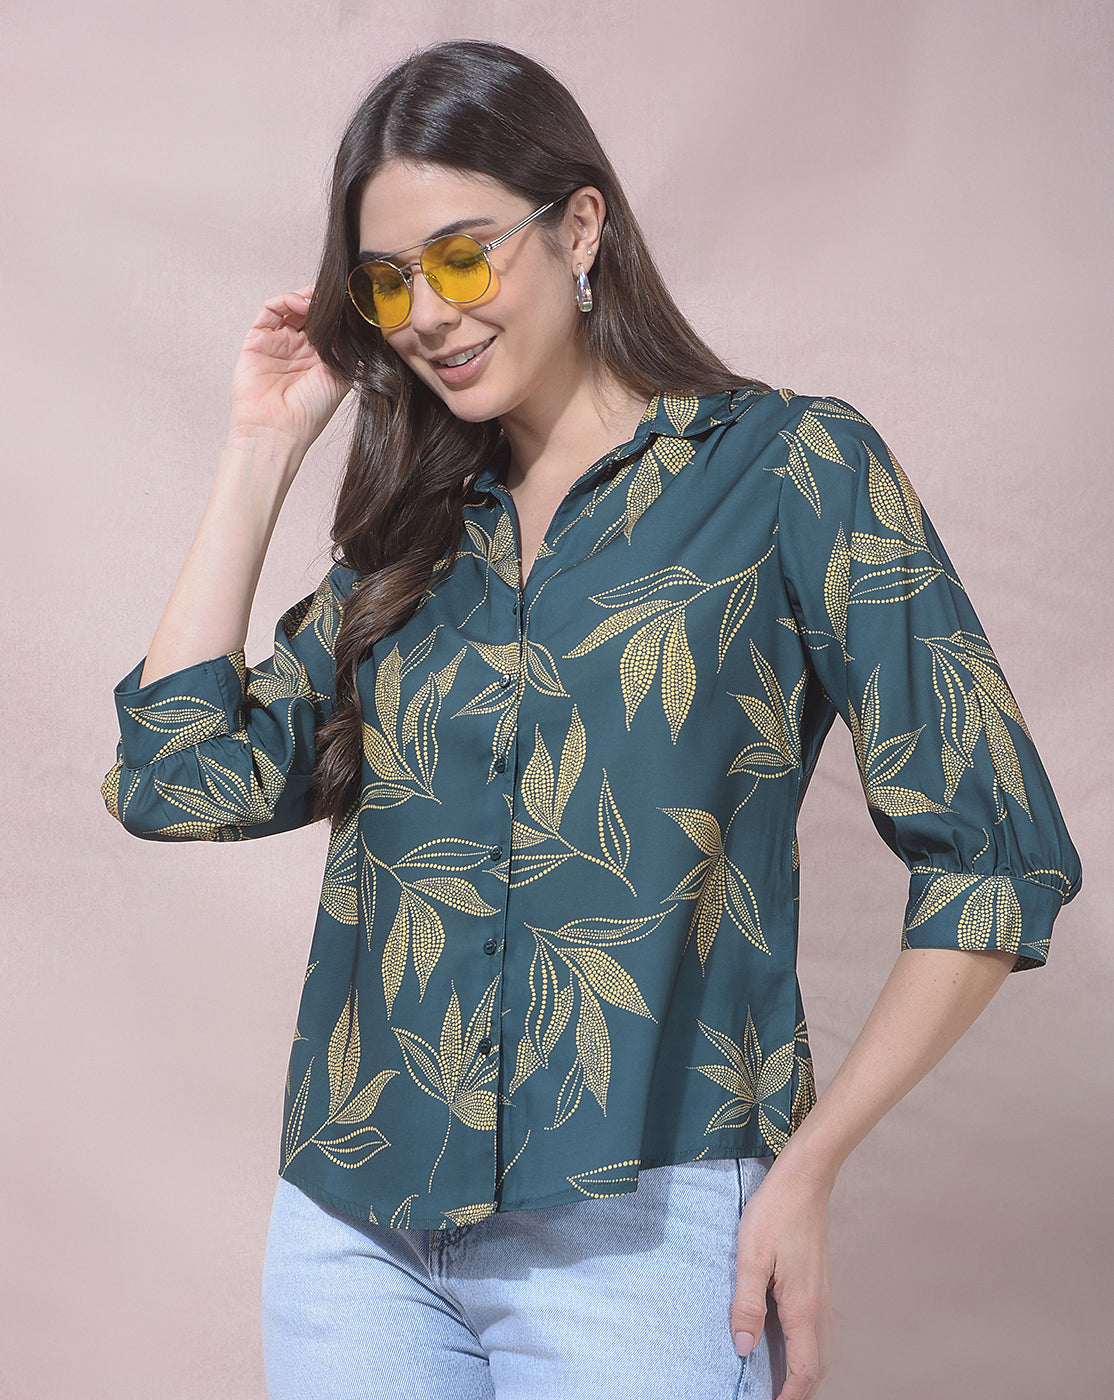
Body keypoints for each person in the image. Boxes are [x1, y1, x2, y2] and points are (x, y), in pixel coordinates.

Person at [101, 39, 1081, 1400]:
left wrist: (807, 1168)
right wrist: (263, 447)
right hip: (354, 1231)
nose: (426, 315)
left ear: (577, 227)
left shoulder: (789, 470)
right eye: (387, 282)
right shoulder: (415, 542)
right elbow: (176, 778)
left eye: (461, 258)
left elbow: (994, 854)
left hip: (643, 1225)